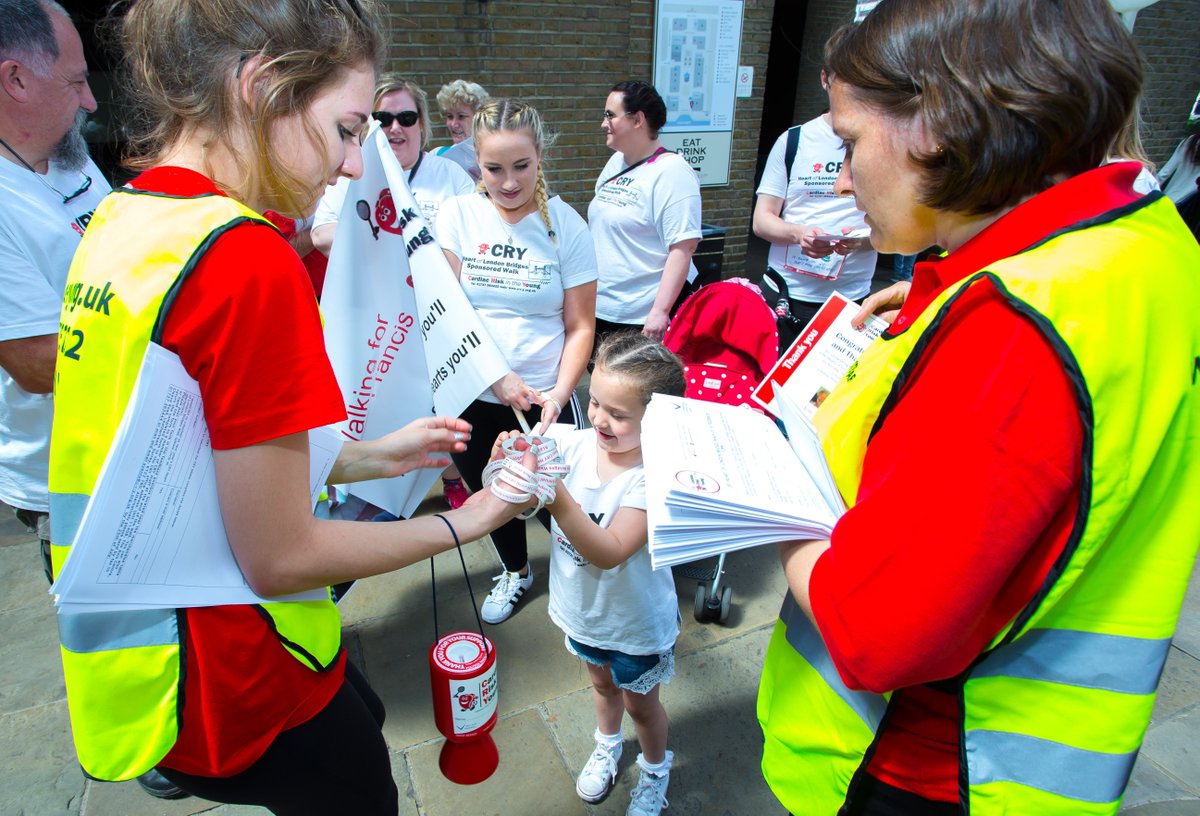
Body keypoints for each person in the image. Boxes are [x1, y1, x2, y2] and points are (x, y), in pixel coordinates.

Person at [47, 1, 539, 812]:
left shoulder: (122, 216)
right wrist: (470, 521)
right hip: (235, 659)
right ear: (262, 87)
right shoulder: (243, 257)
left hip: (145, 658)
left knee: (366, 716)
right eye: (347, 130)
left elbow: (186, 447)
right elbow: (280, 556)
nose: (353, 166)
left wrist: (367, 456)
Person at [755, 1, 1200, 815]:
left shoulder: (1008, 330)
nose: (844, 177)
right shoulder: (1145, 238)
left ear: (941, 122)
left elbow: (875, 631)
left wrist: (760, 495)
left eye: (851, 141)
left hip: (926, 764)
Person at [501, 331, 685, 816]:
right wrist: (507, 461)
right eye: (595, 402)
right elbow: (516, 495)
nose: (600, 419)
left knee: (642, 707)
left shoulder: (653, 477)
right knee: (602, 688)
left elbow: (609, 550)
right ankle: (607, 745)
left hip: (635, 624)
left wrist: (556, 496)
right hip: (584, 613)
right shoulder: (575, 443)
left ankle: (654, 770)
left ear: (658, 422)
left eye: (619, 414)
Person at [438, 98, 597, 624]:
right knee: (493, 495)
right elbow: (446, 314)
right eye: (494, 168)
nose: (508, 183)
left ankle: (578, 582)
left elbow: (580, 327)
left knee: (560, 497)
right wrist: (496, 377)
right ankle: (516, 571)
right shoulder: (459, 215)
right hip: (471, 396)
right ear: (475, 163)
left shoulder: (567, 226)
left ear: (540, 156)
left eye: (521, 166)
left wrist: (557, 393)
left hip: (544, 400)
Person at [311, 74, 476, 510]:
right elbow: (322, 233)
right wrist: (405, 248)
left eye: (406, 117)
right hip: (372, 320)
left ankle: (452, 478)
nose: (395, 128)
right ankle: (368, 486)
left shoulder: (450, 174)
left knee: (440, 407)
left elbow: (467, 243)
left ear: (423, 124)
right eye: (383, 118)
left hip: (431, 319)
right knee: (374, 403)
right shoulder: (355, 171)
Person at [0, 0, 108, 585]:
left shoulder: (70, 157)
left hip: (126, 446)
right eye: (76, 82)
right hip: (67, 482)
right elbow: (37, 363)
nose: (91, 101)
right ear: (15, 79)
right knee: (124, 650)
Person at [752, 38, 877, 340]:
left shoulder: (883, 145)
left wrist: (863, 242)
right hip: (786, 293)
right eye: (844, 81)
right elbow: (762, 220)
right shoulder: (794, 140)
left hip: (850, 298)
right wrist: (800, 234)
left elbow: (902, 228)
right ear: (825, 79)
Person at [589, 80, 702, 343]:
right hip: (604, 307)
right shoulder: (616, 162)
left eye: (610, 115)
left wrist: (659, 312)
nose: (603, 124)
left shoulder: (672, 172)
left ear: (637, 119)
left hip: (641, 317)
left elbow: (682, 248)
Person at [434, 78, 489, 180]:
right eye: (450, 116)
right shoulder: (436, 155)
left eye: (461, 116)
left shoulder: (496, 157)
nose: (454, 124)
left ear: (478, 118)